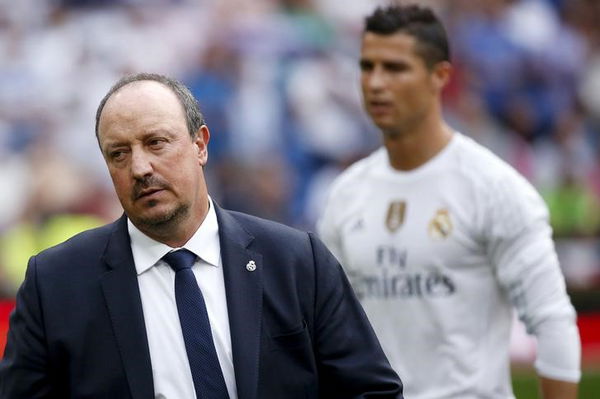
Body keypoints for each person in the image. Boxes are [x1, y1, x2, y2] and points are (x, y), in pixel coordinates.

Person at [0, 73, 403, 399]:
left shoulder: (297, 261)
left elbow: (371, 391)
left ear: (200, 145)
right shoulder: (56, 284)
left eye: (156, 142)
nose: (140, 167)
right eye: (119, 154)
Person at [317, 5, 581, 399]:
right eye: (367, 66)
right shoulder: (345, 195)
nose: (375, 83)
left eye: (395, 68)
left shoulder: (494, 188)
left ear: (440, 76)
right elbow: (329, 332)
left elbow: (553, 322)